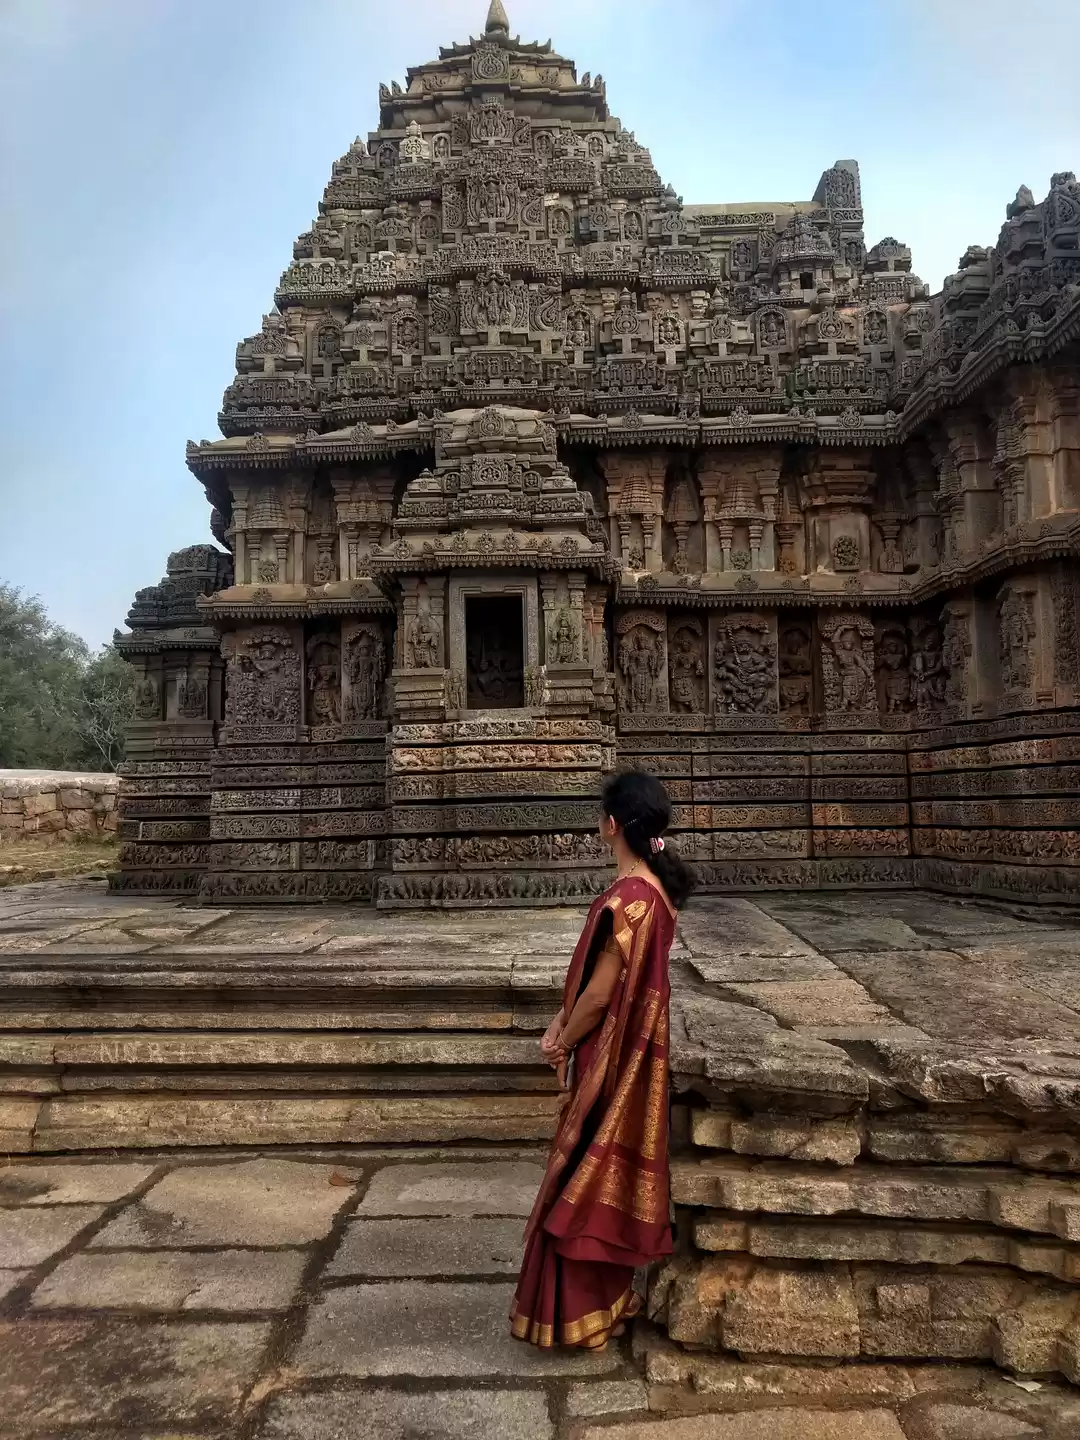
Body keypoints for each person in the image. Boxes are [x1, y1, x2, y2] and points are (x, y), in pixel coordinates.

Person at [510, 770, 695, 1351]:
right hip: (639, 1057)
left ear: (611, 825)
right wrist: (561, 1023)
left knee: (581, 1176)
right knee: (607, 1170)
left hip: (607, 1057)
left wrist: (564, 1039)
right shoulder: (659, 896)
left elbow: (599, 993)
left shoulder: (628, 900)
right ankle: (610, 1300)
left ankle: (577, 1311)